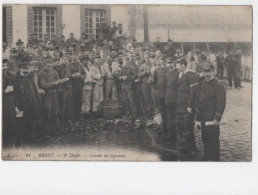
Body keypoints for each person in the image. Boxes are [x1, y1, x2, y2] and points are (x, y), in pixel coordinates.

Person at [196, 62, 226, 161]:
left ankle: (214, 158)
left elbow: (221, 104)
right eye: (205, 72)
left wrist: (217, 118)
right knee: (205, 137)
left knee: (213, 139)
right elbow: (200, 100)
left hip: (212, 118)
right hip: (203, 117)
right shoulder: (203, 82)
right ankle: (207, 155)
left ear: (213, 71)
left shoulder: (218, 85)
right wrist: (198, 118)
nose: (207, 74)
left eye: (209, 72)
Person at [13, 63, 41, 145]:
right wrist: (17, 106)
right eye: (23, 68)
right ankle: (23, 140)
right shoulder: (16, 79)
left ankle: (31, 138)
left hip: (33, 103)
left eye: (27, 68)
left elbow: (35, 90)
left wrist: (37, 100)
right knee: (23, 122)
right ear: (20, 69)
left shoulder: (29, 77)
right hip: (23, 105)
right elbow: (15, 94)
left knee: (32, 121)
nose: (25, 70)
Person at [175, 59, 198, 156]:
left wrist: (190, 106)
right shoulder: (180, 74)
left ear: (183, 65)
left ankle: (192, 148)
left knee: (188, 127)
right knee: (180, 126)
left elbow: (193, 92)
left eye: (178, 65)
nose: (176, 67)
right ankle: (184, 145)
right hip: (180, 106)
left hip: (187, 106)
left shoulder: (191, 75)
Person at [38, 60, 63, 137]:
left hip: (54, 94)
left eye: (50, 66)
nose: (49, 68)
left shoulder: (54, 72)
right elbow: (43, 85)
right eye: (47, 66)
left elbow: (58, 80)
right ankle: (46, 132)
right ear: (44, 66)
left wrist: (57, 84)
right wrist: (54, 83)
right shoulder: (41, 74)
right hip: (47, 95)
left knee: (55, 112)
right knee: (47, 113)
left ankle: (55, 130)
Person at [2, 59, 17, 147]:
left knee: (9, 125)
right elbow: (8, 90)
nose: (4, 68)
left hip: (9, 105)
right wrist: (5, 91)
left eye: (5, 66)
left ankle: (9, 144)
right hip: (3, 106)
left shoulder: (6, 75)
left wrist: (15, 105)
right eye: (2, 66)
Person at [164, 57, 179, 139]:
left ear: (174, 63)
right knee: (169, 118)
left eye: (171, 63)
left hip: (176, 99)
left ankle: (178, 135)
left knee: (177, 118)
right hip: (168, 99)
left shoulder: (178, 73)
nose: (169, 64)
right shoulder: (166, 74)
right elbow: (165, 86)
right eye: (168, 63)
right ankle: (171, 134)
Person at [119, 54, 138, 119]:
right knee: (125, 100)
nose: (126, 62)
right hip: (123, 86)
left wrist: (127, 77)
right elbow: (119, 76)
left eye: (127, 60)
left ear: (129, 61)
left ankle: (134, 114)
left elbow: (134, 76)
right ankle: (128, 114)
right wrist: (121, 77)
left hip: (129, 86)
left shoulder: (131, 68)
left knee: (131, 100)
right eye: (125, 60)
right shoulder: (123, 68)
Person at [153, 55, 168, 134]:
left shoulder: (168, 68)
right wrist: (158, 89)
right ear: (159, 61)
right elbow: (154, 81)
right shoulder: (157, 70)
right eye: (161, 60)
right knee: (162, 110)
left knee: (168, 110)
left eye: (163, 59)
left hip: (168, 94)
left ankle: (169, 126)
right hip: (160, 93)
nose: (162, 61)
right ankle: (163, 126)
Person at [70, 52, 86, 126]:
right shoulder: (69, 65)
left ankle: (78, 116)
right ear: (71, 56)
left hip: (79, 84)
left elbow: (84, 74)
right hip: (71, 85)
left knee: (79, 100)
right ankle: (72, 117)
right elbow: (66, 75)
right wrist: (72, 75)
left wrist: (80, 76)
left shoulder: (80, 65)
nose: (75, 57)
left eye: (76, 55)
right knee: (72, 101)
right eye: (74, 55)